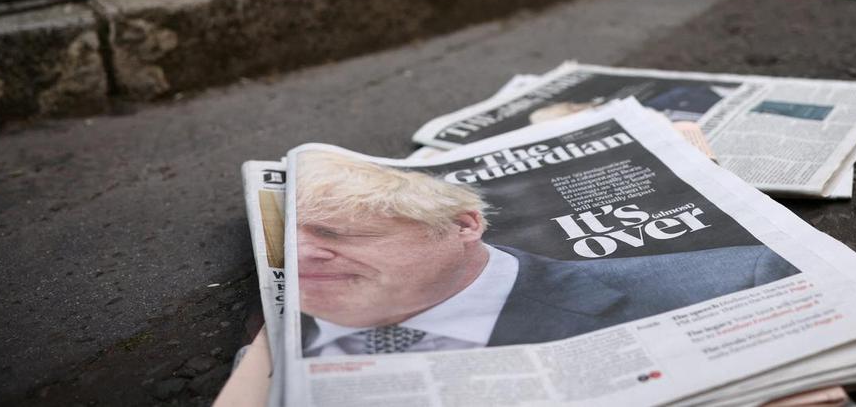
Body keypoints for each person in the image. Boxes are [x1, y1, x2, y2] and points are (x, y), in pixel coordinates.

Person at [297, 152, 797, 356]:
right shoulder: (278, 344)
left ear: (462, 225)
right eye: (289, 241)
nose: (301, 257)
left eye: (336, 233)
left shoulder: (735, 280)